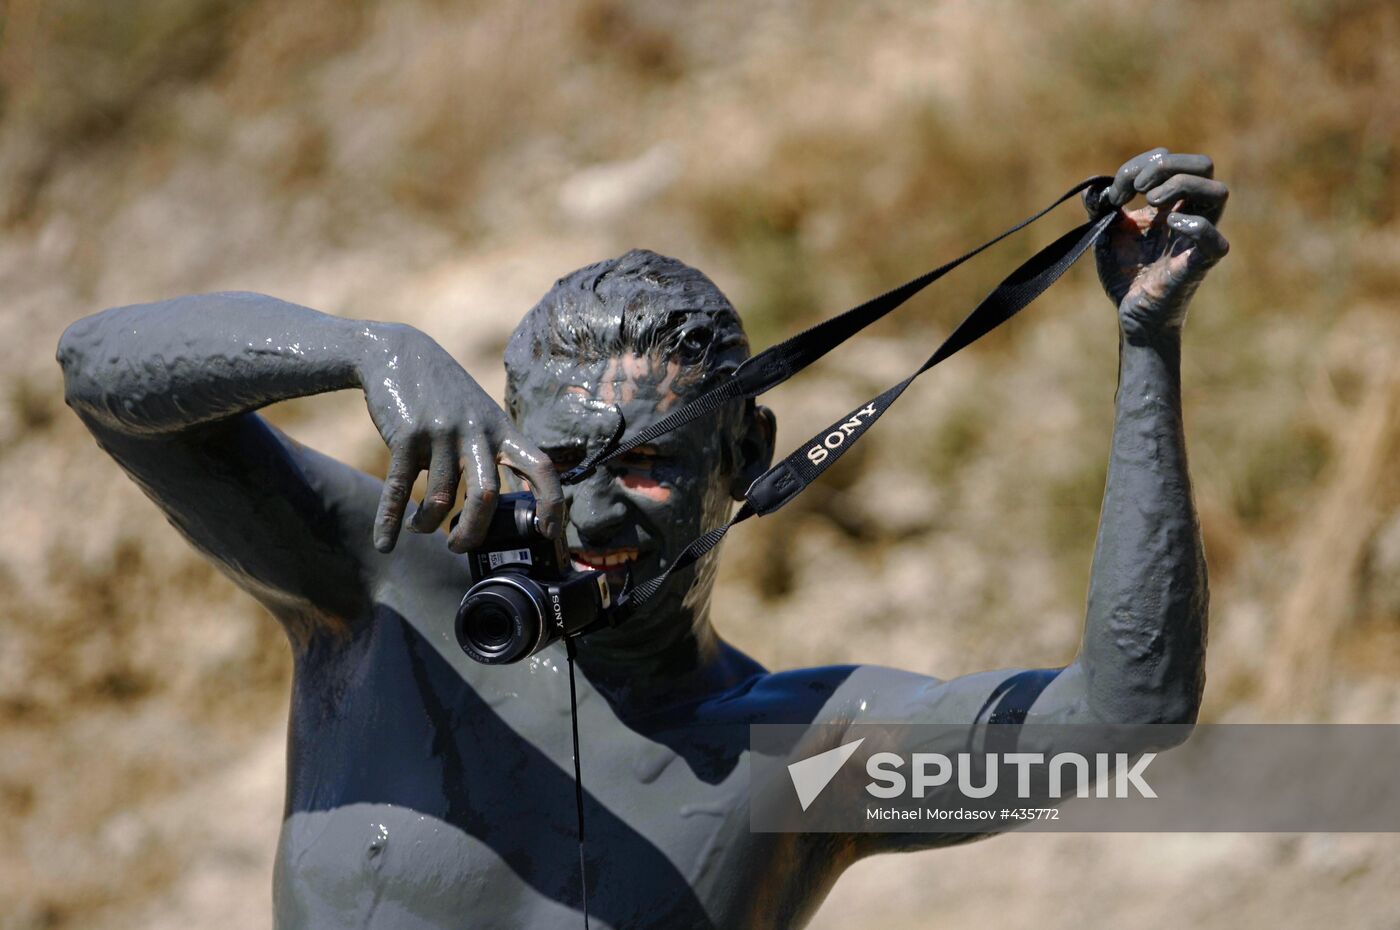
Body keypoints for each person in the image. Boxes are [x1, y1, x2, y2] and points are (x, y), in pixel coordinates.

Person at [57, 147, 1226, 929]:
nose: (597, 509)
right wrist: (371, 349)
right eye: (559, 461)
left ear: (746, 459)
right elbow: (100, 376)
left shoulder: (802, 763)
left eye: (653, 464)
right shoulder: (376, 589)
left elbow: (1125, 721)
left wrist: (1146, 344)